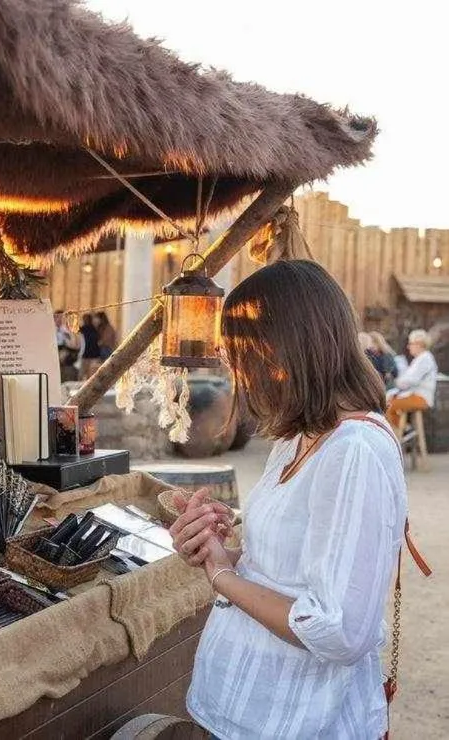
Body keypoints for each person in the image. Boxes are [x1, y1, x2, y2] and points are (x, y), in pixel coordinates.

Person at [170, 260, 405, 739]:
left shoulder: (354, 451)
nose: (232, 365)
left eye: (237, 350)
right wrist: (218, 548)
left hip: (301, 721)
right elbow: (284, 570)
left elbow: (337, 629)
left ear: (281, 349)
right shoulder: (300, 437)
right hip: (252, 710)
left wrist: (222, 574)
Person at [386, 329, 438, 435]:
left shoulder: (425, 359)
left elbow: (410, 380)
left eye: (411, 343)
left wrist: (397, 382)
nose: (408, 347)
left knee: (388, 405)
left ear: (419, 344)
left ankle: (403, 431)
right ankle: (404, 429)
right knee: (388, 402)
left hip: (421, 397)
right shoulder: (419, 359)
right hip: (413, 394)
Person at [53, 310, 82, 382]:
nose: (59, 319)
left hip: (67, 355)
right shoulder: (50, 330)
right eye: (57, 317)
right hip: (54, 355)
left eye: (61, 317)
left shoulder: (68, 330)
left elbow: (75, 344)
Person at [78, 313, 100, 378]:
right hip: (89, 355)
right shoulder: (94, 329)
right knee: (88, 375)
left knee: (88, 375)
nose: (85, 320)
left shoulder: (86, 329)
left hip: (90, 355)